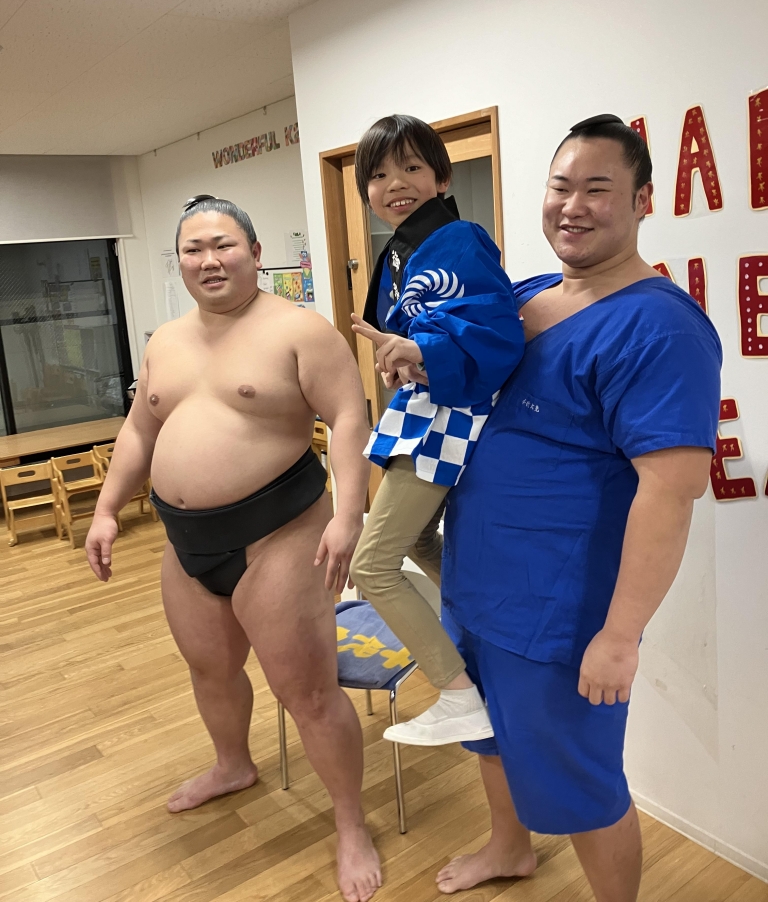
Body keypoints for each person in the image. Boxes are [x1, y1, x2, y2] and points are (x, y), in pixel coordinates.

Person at [434, 115, 722, 900]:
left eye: (598, 189)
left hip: (556, 614)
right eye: (561, 186)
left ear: (642, 201)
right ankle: (510, 848)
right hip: (476, 587)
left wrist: (620, 636)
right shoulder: (525, 295)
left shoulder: (662, 326)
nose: (573, 205)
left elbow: (672, 491)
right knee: (489, 735)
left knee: (582, 782)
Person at [85, 195, 381, 902]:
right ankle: (232, 764)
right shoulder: (165, 341)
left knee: (307, 691)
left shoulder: (300, 331)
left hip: (280, 531)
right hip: (186, 539)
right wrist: (104, 509)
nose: (209, 260)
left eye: (223, 245)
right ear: (180, 261)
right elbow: (139, 430)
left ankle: (350, 824)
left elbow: (349, 416)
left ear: (254, 252)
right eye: (194, 249)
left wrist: (350, 512)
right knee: (210, 669)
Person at [348, 114, 524, 746]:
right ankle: (483, 626)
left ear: (442, 177)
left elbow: (497, 332)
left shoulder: (460, 238)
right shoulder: (402, 252)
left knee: (372, 566)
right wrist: (405, 353)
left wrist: (423, 352)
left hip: (450, 413)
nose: (395, 183)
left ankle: (456, 693)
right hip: (426, 407)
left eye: (411, 167)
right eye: (378, 174)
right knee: (420, 539)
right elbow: (429, 327)